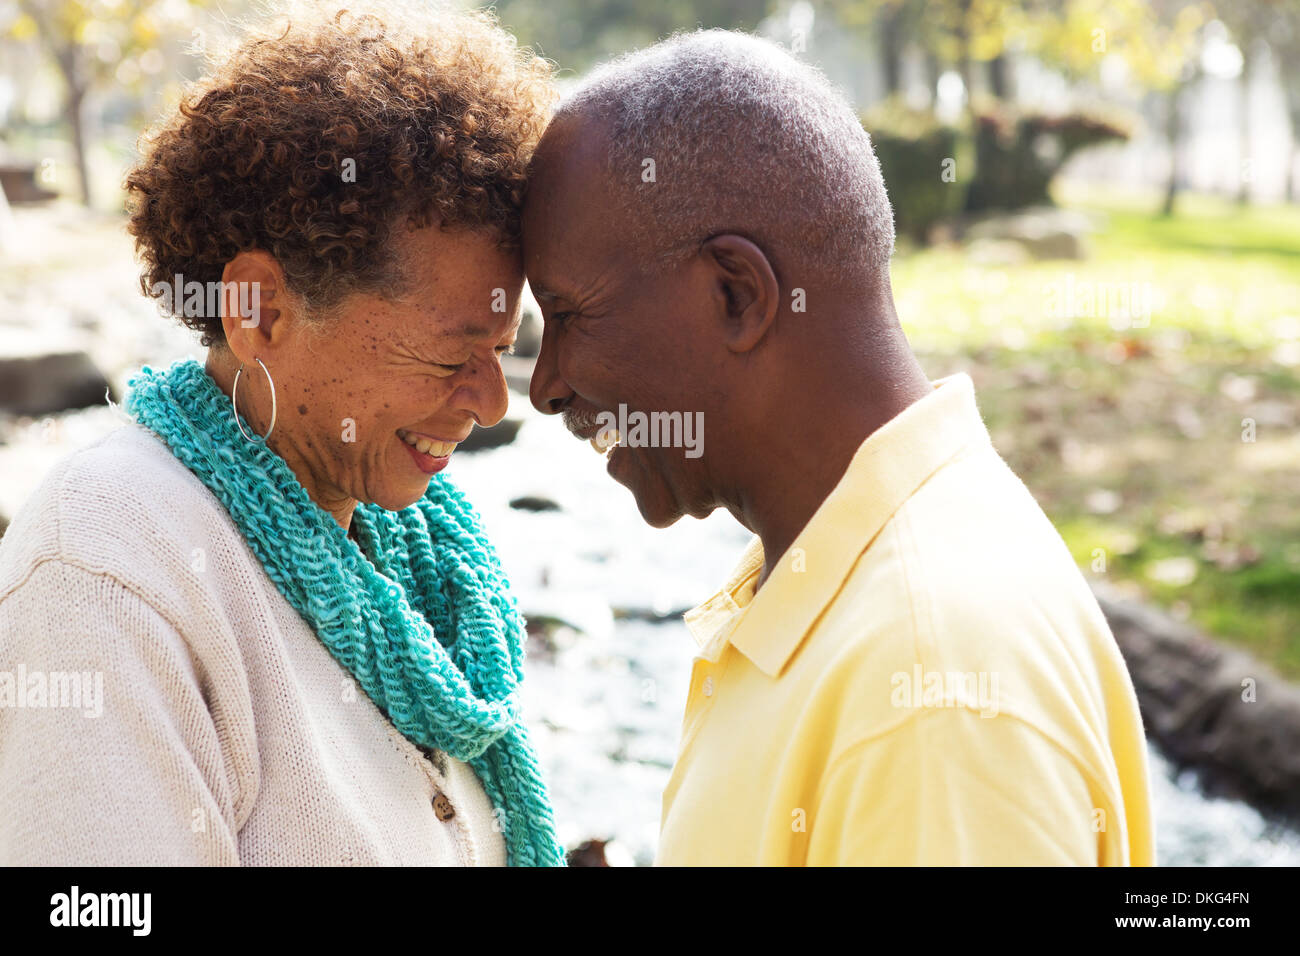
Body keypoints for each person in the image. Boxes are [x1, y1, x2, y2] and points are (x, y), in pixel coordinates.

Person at [523, 29, 1155, 865]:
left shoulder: (928, 693)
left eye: (569, 314)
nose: (547, 385)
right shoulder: (844, 575)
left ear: (736, 295)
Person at [0, 1, 565, 866]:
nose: (490, 402)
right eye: (452, 353)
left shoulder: (419, 554)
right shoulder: (103, 569)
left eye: (500, 350)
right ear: (257, 309)